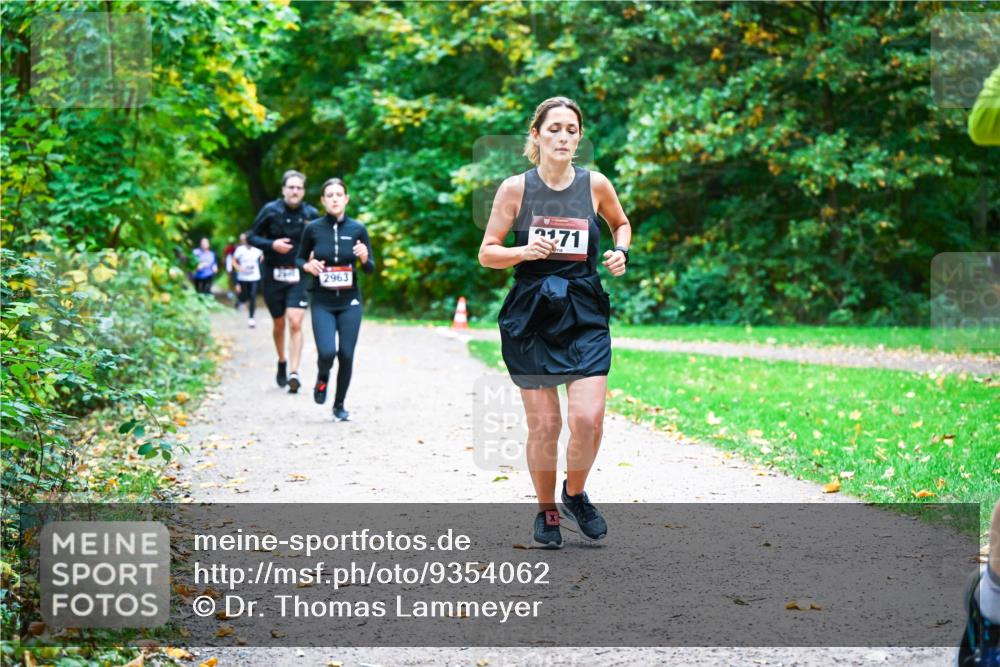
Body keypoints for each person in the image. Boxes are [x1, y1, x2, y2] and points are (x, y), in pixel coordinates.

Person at [478, 96, 631, 549]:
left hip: (583, 310)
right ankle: (546, 508)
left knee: (589, 417)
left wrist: (620, 252)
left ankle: (575, 493)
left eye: (571, 129)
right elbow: (488, 252)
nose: (563, 137)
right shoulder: (515, 189)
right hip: (532, 314)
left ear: (579, 137)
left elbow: (622, 224)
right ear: (536, 136)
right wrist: (522, 251)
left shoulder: (596, 185)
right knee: (545, 426)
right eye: (554, 129)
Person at [297, 177, 374, 422]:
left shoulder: (358, 229)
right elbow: (299, 259)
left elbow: (371, 268)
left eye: (338, 194)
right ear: (322, 200)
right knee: (328, 352)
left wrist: (364, 258)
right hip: (322, 301)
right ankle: (322, 376)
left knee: (347, 355)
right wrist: (308, 265)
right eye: (329, 195)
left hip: (350, 301)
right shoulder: (313, 229)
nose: (334, 199)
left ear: (346, 199)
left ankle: (339, 405)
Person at [248, 170, 320, 392]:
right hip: (273, 274)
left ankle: (294, 373)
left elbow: (320, 241)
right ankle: (282, 361)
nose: (295, 191)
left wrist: (314, 255)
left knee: (296, 322)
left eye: (299, 187)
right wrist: (272, 245)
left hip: (299, 276)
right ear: (283, 190)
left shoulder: (311, 213)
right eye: (291, 187)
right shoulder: (270, 210)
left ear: (304, 191)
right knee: (279, 323)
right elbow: (251, 236)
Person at [232, 232, 263, 328]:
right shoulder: (239, 250)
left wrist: (260, 263)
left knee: (253, 296)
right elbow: (233, 261)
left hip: (254, 276)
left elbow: (262, 256)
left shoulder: (257, 249)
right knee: (244, 295)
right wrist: (239, 268)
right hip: (243, 277)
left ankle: (251, 318)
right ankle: (239, 301)